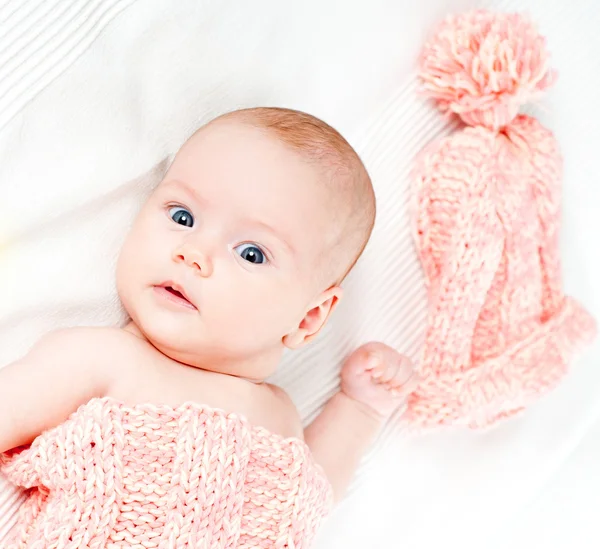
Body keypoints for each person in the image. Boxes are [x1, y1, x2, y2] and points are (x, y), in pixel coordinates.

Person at [0, 107, 416, 547]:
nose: (194, 251)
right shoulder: (102, 360)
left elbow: (314, 498)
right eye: (182, 217)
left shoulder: (281, 418)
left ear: (308, 318)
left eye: (251, 253)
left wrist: (361, 408)